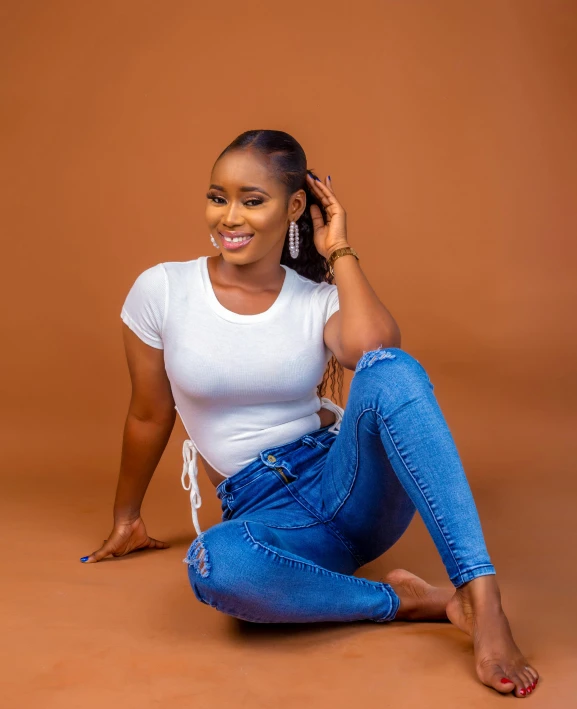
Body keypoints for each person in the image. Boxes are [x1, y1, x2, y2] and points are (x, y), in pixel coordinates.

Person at [81, 129, 539, 698]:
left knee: (390, 367)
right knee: (215, 567)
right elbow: (150, 414)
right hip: (263, 509)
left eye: (253, 200)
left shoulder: (317, 299)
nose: (230, 216)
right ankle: (413, 602)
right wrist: (127, 517)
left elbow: (377, 348)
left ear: (294, 206)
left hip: (348, 483)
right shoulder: (164, 290)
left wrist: (338, 248)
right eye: (217, 197)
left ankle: (481, 596)